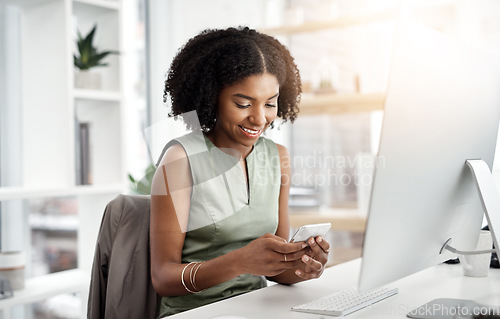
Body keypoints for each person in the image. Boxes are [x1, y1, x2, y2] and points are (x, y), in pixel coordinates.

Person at [150, 26, 331, 317]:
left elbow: (277, 271)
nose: (260, 118)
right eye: (243, 104)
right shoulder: (180, 159)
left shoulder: (278, 158)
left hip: (256, 309)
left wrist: (303, 264)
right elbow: (162, 278)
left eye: (270, 103)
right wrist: (238, 262)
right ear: (212, 96)